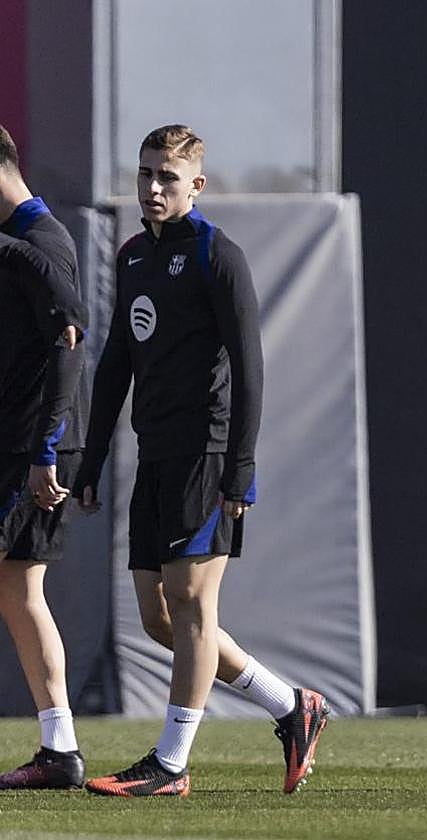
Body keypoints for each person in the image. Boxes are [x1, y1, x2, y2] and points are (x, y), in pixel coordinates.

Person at [74, 125, 329, 797]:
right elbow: (116, 364)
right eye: (146, 174)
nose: (153, 187)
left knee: (191, 605)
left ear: (196, 185)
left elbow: (250, 369)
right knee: (160, 618)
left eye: (167, 176)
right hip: (153, 456)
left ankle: (170, 764)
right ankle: (289, 704)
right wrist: (92, 458)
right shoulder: (132, 257)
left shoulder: (218, 255)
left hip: (206, 455)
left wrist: (239, 470)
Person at [0, 124, 90, 790]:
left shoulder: (43, 241)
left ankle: (62, 750)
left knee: (21, 591)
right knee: (19, 591)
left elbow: (69, 346)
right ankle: (59, 751)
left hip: (31, 449)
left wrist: (46, 452)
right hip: (22, 443)